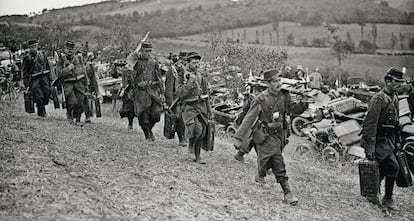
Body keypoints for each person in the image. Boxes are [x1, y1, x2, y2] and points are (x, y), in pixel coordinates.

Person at [233, 69, 299, 206]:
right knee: (278, 163)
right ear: (268, 83)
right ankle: (288, 193)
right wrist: (239, 137)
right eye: (275, 81)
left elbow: (294, 110)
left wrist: (304, 104)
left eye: (279, 80)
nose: (278, 83)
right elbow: (249, 119)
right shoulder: (261, 99)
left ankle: (260, 174)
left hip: (280, 135)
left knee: (266, 162)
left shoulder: (284, 96)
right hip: (266, 135)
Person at [361, 67, 405, 211]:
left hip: (388, 141)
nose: (399, 84)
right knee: (390, 167)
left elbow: (396, 122)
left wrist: (397, 141)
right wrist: (370, 148)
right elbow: (370, 125)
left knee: (388, 168)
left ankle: (384, 197)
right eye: (396, 81)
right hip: (377, 141)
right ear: (387, 81)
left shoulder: (395, 98)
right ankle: (377, 196)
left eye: (400, 82)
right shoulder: (378, 99)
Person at [176, 52, 211, 164]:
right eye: (194, 63)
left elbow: (206, 94)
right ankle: (190, 148)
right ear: (188, 63)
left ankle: (198, 155)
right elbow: (180, 93)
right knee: (194, 128)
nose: (196, 65)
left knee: (202, 131)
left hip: (201, 106)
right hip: (188, 106)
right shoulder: (181, 76)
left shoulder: (201, 77)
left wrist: (209, 110)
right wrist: (190, 81)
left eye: (198, 63)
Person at [130, 42, 164, 141]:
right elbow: (129, 74)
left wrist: (162, 91)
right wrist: (136, 84)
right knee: (143, 115)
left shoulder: (153, 62)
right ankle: (147, 134)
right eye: (146, 51)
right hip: (140, 92)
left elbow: (159, 77)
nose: (148, 53)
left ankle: (150, 129)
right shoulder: (135, 62)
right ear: (141, 51)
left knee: (156, 114)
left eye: (150, 51)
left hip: (153, 91)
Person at [56, 41, 88, 125]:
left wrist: (86, 83)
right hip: (68, 83)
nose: (70, 51)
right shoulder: (61, 60)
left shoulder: (79, 58)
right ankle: (69, 114)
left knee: (80, 101)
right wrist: (68, 69)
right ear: (65, 49)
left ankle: (77, 118)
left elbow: (84, 71)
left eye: (72, 49)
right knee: (72, 101)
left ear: (74, 50)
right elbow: (59, 73)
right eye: (68, 49)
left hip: (79, 82)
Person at [22, 39, 52, 117]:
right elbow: (24, 72)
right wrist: (26, 84)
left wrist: (51, 79)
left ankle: (41, 108)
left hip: (44, 78)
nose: (33, 48)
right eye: (32, 47)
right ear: (29, 48)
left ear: (37, 46)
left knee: (46, 93)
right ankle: (41, 112)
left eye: (35, 46)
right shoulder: (27, 58)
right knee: (39, 96)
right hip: (34, 79)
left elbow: (49, 68)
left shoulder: (43, 55)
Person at [164, 54, 186, 146]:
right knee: (179, 119)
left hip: (185, 98)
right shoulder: (172, 71)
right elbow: (168, 88)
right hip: (175, 99)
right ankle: (181, 139)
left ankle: (185, 137)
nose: (183, 63)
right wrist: (170, 102)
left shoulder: (186, 70)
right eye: (182, 61)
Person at [117, 59, 136, 130]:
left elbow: (131, 82)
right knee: (128, 108)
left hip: (132, 90)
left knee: (130, 108)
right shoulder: (125, 72)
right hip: (127, 92)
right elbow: (124, 82)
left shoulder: (130, 71)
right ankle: (130, 123)